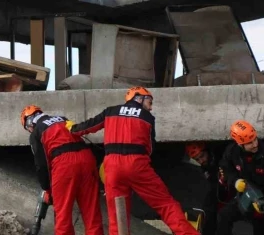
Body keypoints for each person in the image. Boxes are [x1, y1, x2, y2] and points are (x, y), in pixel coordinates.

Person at [68, 87, 198, 235]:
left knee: (116, 215)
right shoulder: (147, 117)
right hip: (137, 164)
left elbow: (86, 127)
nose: (151, 106)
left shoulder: (110, 111)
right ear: (138, 98)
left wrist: (72, 128)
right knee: (165, 204)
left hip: (112, 167)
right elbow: (149, 147)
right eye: (149, 101)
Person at [21, 105, 104, 235]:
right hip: (87, 159)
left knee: (63, 216)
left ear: (29, 123)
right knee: (92, 213)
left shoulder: (37, 133)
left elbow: (41, 166)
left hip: (64, 165)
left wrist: (48, 189)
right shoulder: (62, 119)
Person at [217, 120, 264, 235]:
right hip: (244, 198)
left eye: (255, 139)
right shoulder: (232, 152)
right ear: (240, 144)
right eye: (249, 143)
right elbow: (225, 168)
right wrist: (235, 181)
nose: (255, 144)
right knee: (223, 216)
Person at [185, 142, 233, 235]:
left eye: (202, 156)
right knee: (209, 208)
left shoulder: (222, 155)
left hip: (236, 183)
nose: (201, 160)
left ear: (207, 151)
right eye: (197, 159)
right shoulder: (205, 167)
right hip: (222, 188)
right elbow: (213, 184)